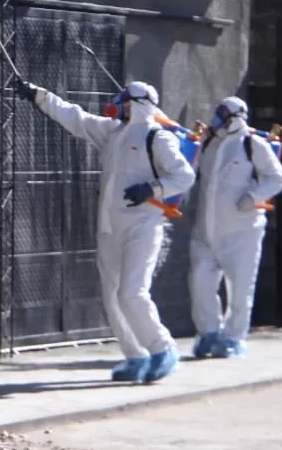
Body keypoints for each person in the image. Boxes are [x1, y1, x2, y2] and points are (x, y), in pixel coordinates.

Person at [12, 77, 194, 384]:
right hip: (109, 226)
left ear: (137, 104)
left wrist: (153, 189)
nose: (118, 105)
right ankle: (136, 356)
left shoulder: (158, 138)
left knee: (131, 292)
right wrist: (39, 96)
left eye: (124, 101)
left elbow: (184, 176)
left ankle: (163, 350)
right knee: (112, 296)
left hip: (143, 225)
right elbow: (76, 118)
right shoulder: (113, 132)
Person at [188, 96, 282, 360]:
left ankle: (233, 338)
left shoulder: (252, 145)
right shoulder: (209, 142)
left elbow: (277, 178)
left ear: (235, 118)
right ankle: (208, 332)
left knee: (240, 288)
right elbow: (190, 169)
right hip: (206, 229)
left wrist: (253, 198)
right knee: (200, 281)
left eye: (222, 114)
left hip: (242, 231)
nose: (216, 119)